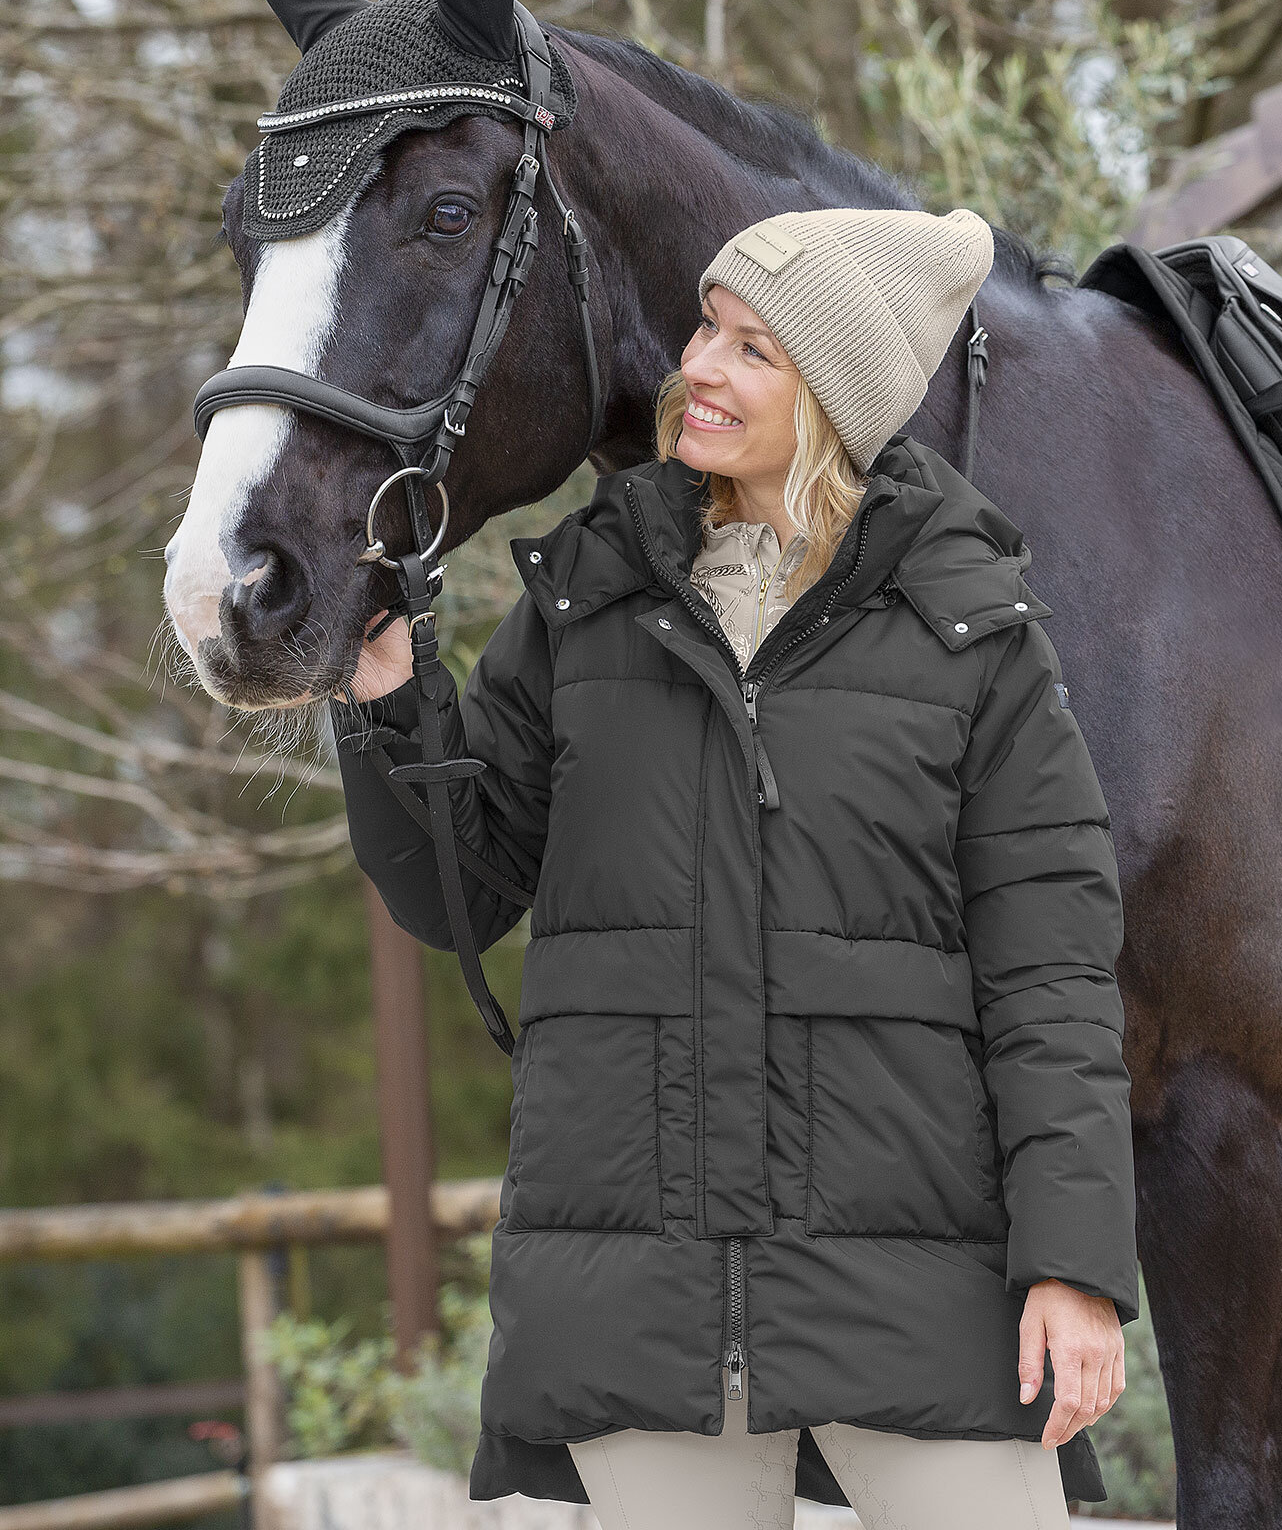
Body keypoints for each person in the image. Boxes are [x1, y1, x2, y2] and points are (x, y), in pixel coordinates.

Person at [330, 205, 1138, 1530]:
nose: (697, 364)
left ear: (831, 399)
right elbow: (460, 894)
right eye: (707, 326)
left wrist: (1072, 1266)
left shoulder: (970, 630)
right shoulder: (586, 595)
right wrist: (389, 706)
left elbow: (1051, 976)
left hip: (914, 1285)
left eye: (754, 349)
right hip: (641, 1288)